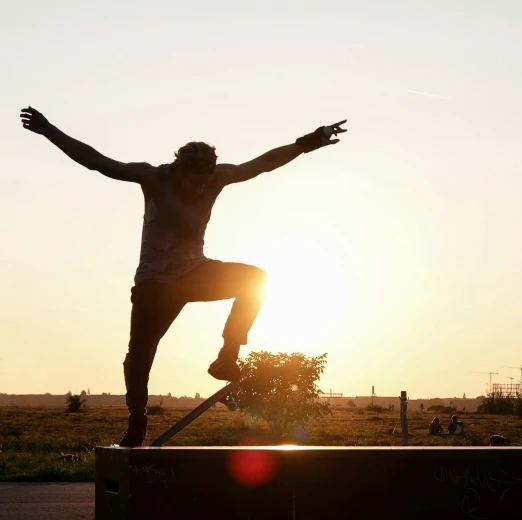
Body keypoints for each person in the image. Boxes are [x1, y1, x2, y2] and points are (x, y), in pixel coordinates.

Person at [20, 107, 347, 446]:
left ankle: (226, 356)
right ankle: (137, 420)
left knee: (256, 279)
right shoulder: (152, 178)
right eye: (193, 183)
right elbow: (97, 161)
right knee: (139, 354)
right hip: (155, 285)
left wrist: (310, 140)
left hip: (195, 273)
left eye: (204, 184)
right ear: (178, 171)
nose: (199, 190)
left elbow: (263, 163)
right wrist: (49, 131)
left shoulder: (217, 178)